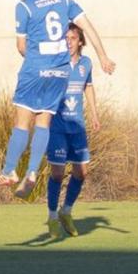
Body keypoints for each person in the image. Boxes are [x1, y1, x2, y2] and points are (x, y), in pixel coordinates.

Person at [0, 0, 115, 199]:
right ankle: (33, 173)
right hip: (60, 72)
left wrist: (37, 58)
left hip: (35, 71)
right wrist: (103, 57)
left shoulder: (24, 6)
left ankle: (9, 171)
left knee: (22, 124)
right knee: (43, 123)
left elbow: (21, 46)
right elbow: (87, 27)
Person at [46, 24, 99, 238]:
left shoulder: (86, 64)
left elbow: (88, 86)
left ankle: (66, 211)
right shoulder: (56, 63)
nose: (68, 41)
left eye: (72, 38)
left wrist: (94, 114)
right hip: (57, 127)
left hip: (77, 127)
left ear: (80, 42)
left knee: (82, 172)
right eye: (65, 38)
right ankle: (52, 217)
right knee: (57, 174)